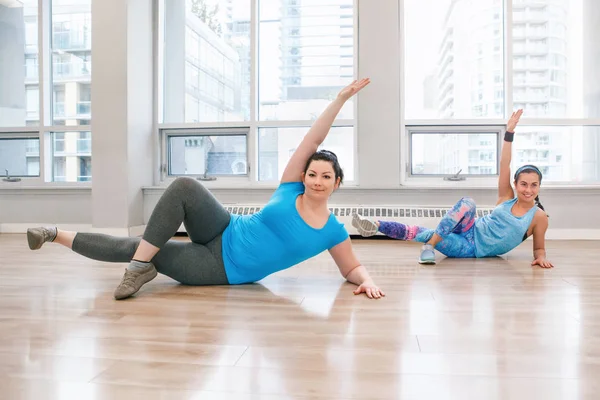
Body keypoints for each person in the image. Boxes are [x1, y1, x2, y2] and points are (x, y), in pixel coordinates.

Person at [27, 78, 386, 300]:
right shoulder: (291, 187)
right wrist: (339, 100)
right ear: (304, 175)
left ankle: (55, 234)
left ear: (337, 183)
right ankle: (139, 267)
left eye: (325, 177)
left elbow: (351, 269)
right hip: (223, 226)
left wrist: (366, 281)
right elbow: (314, 138)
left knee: (134, 247)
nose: (317, 181)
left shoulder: (333, 232)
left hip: (220, 268)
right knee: (184, 185)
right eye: (313, 174)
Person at [352, 109, 554, 268]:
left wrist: (540, 258)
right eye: (523, 184)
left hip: (471, 248)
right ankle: (429, 247)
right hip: (471, 227)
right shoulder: (507, 197)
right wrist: (509, 132)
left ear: (539, 187)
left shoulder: (539, 217)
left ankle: (376, 225)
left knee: (424, 233)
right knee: (468, 203)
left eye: (533, 185)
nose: (528, 189)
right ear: (516, 185)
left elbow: (539, 248)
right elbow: (505, 164)